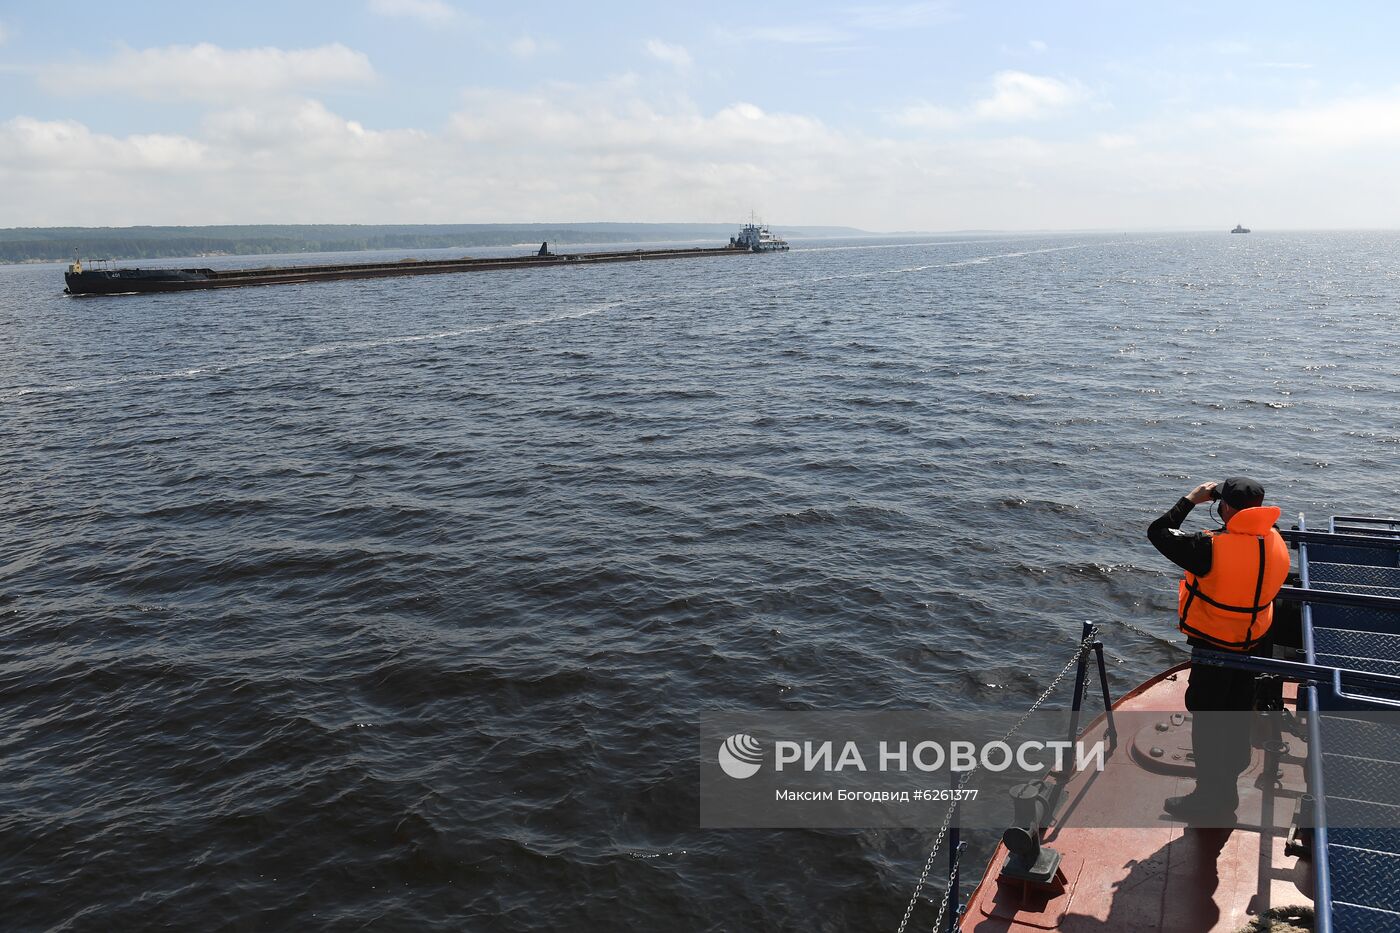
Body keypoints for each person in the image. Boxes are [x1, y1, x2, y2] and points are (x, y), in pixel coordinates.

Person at [1147, 476, 1291, 821]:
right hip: (1252, 644)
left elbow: (1158, 532)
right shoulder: (1274, 539)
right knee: (1237, 716)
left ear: (1223, 506)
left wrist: (1191, 500)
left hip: (1215, 649)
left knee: (1210, 723)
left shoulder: (1209, 547)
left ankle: (1212, 801)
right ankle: (1226, 789)